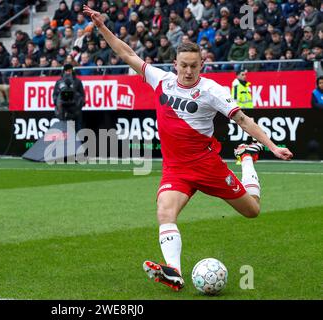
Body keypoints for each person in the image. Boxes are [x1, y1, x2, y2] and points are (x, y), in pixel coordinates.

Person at [83, 5, 293, 291]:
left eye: (194, 65)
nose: (189, 70)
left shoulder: (212, 91)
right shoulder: (161, 80)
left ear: (202, 66)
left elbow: (243, 120)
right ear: (175, 64)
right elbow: (127, 53)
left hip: (207, 166)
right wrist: (102, 26)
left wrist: (272, 146)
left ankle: (246, 158)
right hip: (176, 169)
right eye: (184, 65)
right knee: (165, 213)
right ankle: (175, 272)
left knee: (252, 211)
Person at [52, 63, 85, 132]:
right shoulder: (59, 82)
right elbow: (55, 94)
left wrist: (79, 105)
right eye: (66, 71)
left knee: (77, 129)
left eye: (69, 71)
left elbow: (82, 95)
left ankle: (78, 141)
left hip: (75, 110)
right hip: (63, 111)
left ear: (72, 71)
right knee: (64, 130)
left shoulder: (77, 82)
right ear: (64, 71)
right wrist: (57, 102)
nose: (68, 72)